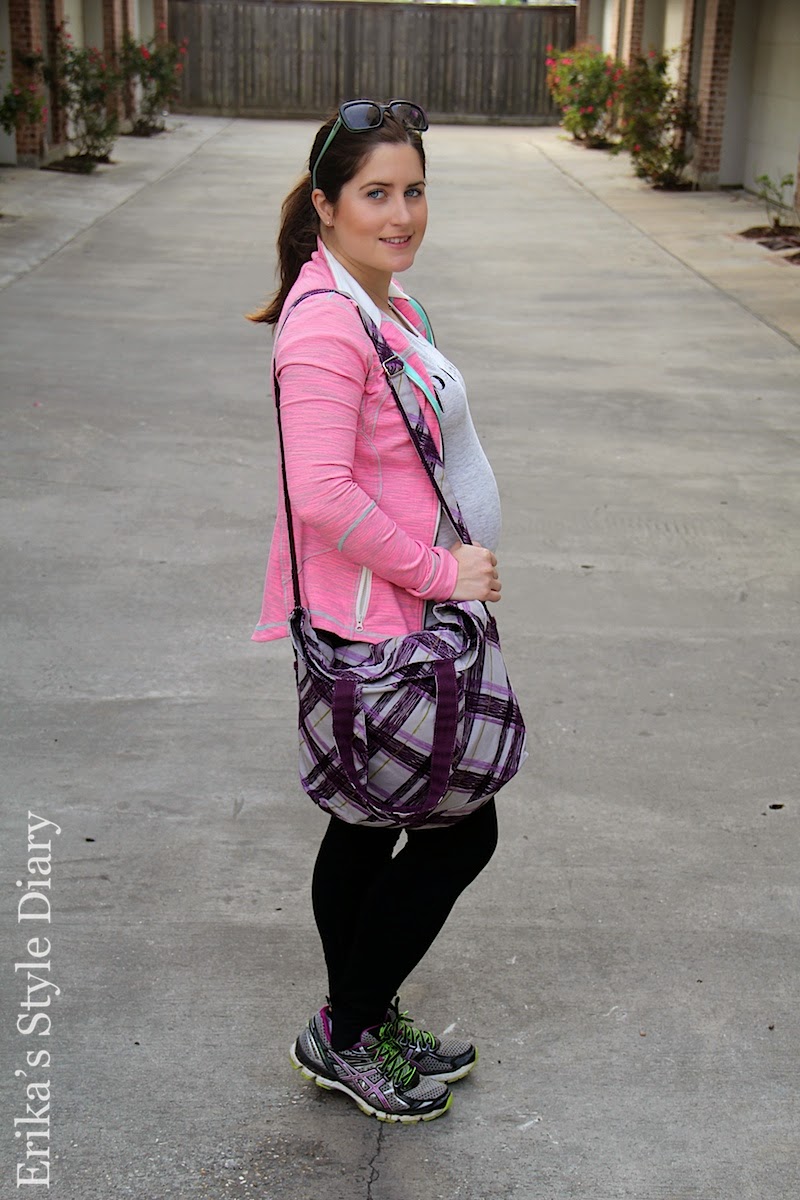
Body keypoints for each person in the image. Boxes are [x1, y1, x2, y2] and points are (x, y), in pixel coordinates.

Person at [250, 100, 506, 1124]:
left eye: (413, 191)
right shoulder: (325, 325)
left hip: (405, 617)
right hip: (377, 625)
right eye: (375, 194)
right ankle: (347, 1030)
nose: (401, 215)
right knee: (458, 836)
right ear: (324, 204)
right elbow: (320, 492)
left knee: (363, 829)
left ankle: (360, 1016)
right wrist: (440, 572)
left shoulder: (382, 302)